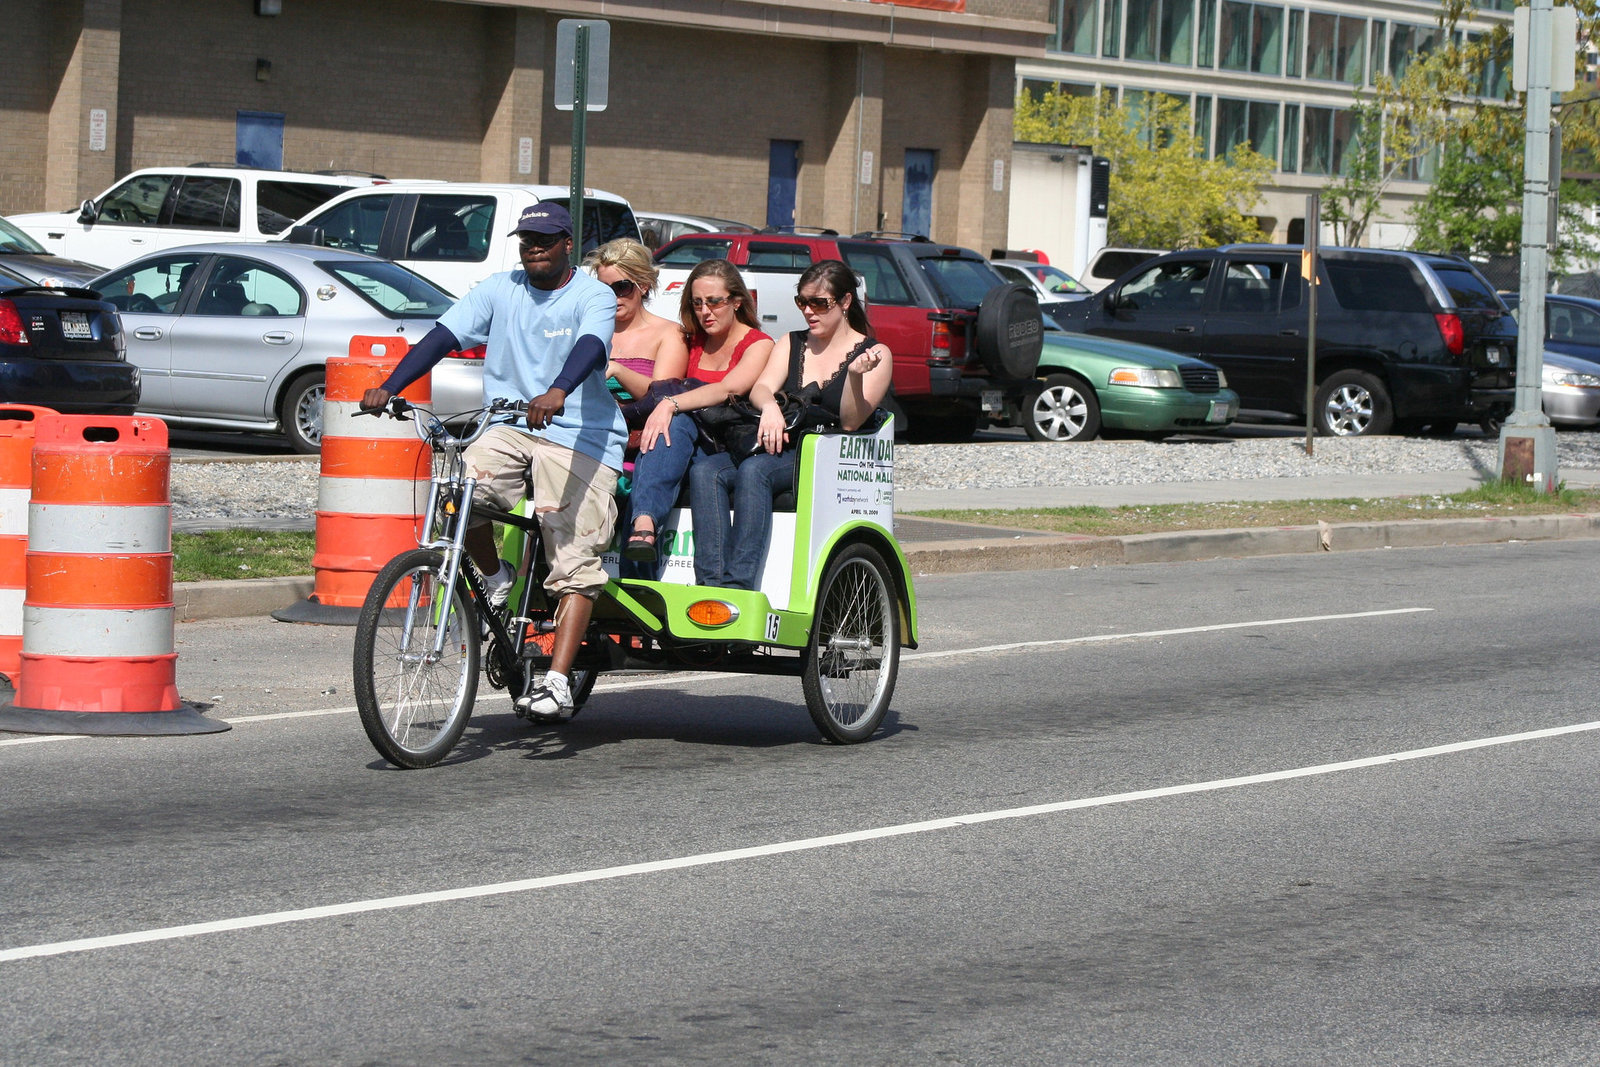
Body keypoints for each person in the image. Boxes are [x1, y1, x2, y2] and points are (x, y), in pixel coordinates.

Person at [358, 202, 624, 721]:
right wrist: (390, 386)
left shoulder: (593, 295)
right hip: (508, 425)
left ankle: (555, 681)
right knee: (456, 494)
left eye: (545, 239)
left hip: (579, 436)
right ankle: (495, 577)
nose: (534, 248)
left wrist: (557, 390)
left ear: (568, 244)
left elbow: (592, 346)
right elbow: (442, 336)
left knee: (571, 560)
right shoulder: (499, 288)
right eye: (526, 239)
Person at [690, 259, 892, 589]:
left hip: (827, 453)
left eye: (819, 303)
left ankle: (737, 586)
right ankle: (710, 586)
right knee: (705, 471)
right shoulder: (792, 341)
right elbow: (761, 387)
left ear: (844, 302)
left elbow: (852, 422)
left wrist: (855, 377)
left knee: (755, 472)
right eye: (802, 302)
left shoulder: (874, 353)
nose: (809, 311)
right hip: (777, 442)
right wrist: (769, 407)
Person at [621, 258, 774, 564]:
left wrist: (671, 403)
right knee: (672, 428)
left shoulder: (759, 344)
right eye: (698, 303)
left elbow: (728, 388)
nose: (705, 311)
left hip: (723, 446)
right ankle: (644, 532)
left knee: (675, 422)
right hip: (679, 446)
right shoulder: (690, 341)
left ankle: (643, 525)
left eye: (715, 302)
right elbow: (659, 385)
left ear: (737, 301)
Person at [585, 238, 688, 398]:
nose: (612, 297)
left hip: (641, 421)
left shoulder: (669, 333)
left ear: (644, 285)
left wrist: (618, 371)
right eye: (603, 289)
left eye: (621, 287)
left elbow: (664, 397)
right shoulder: (588, 327)